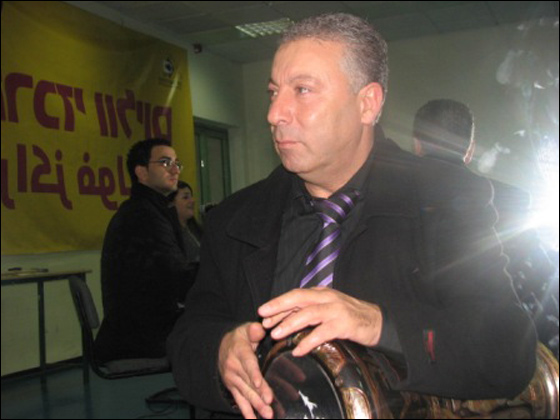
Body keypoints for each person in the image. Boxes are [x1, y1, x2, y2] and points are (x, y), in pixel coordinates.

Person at [167, 14, 537, 419]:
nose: (275, 113)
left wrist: (380, 324)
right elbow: (189, 336)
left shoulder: (442, 200)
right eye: (273, 92)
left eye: (302, 90)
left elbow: (505, 351)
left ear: (367, 104)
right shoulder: (235, 219)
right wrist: (220, 350)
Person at [413, 98, 558, 359]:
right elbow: (544, 295)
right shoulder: (512, 210)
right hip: (500, 360)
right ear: (470, 150)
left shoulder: (382, 199)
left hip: (406, 357)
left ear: (417, 144)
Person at [95, 138, 196, 363]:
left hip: (143, 325)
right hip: (141, 335)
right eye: (165, 162)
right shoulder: (142, 216)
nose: (175, 170)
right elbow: (177, 278)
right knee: (223, 328)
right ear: (141, 172)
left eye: (176, 163)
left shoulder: (149, 209)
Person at [169, 180, 203, 267]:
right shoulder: (169, 234)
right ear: (171, 203)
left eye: (191, 196)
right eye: (185, 197)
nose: (192, 201)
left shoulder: (197, 229)